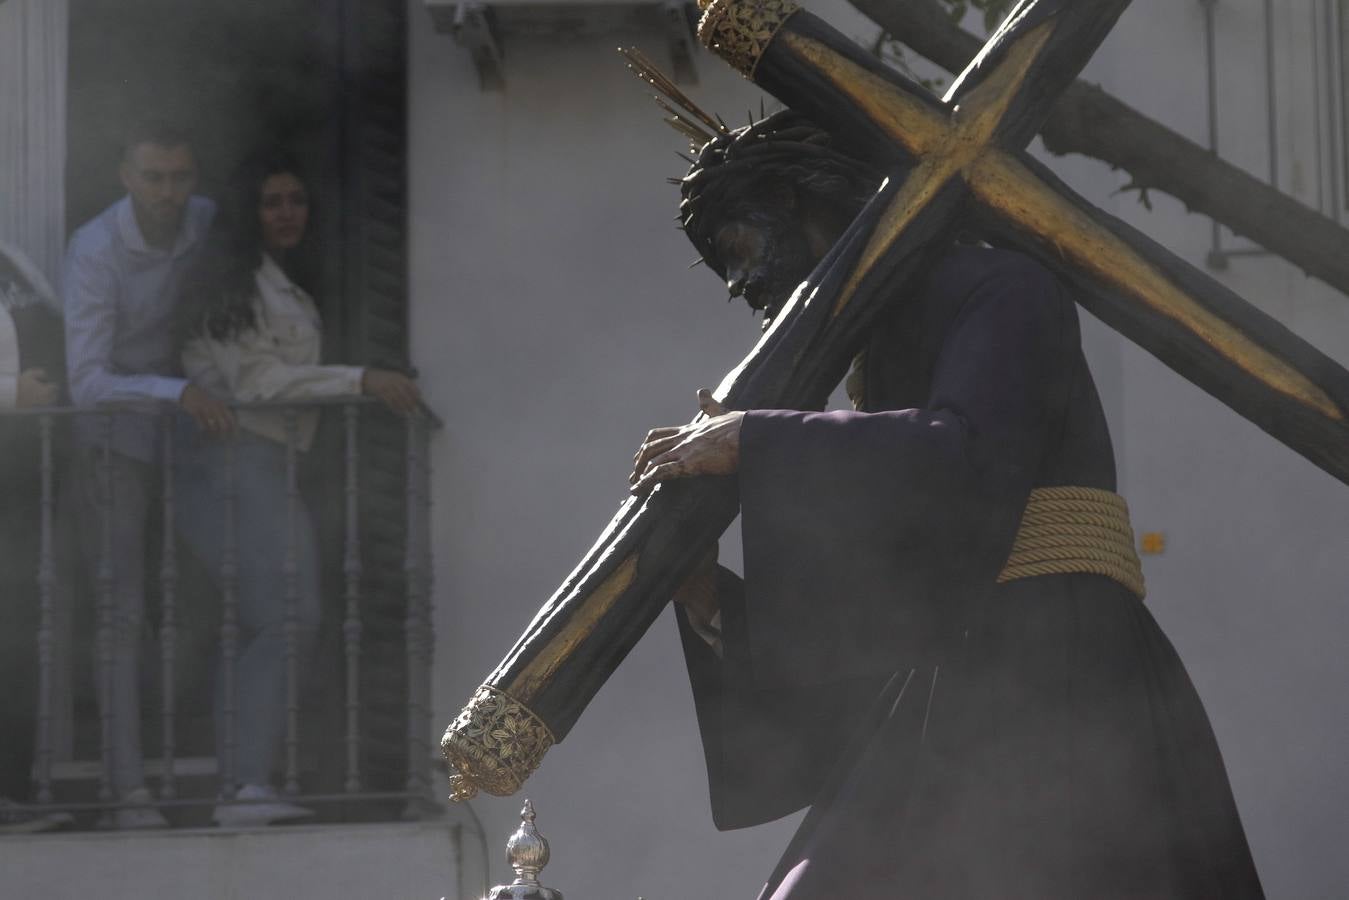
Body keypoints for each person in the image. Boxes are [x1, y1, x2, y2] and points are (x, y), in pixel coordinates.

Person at [629, 111, 1265, 898]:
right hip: (953, 676)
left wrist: (759, 443)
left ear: (802, 201)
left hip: (1057, 666)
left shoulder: (1002, 286)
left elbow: (969, 456)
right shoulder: (870, 360)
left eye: (736, 245)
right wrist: (708, 601)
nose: (736, 283)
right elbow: (869, 620)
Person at [173, 147, 419, 827]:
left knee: (278, 619)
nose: (287, 213)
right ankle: (242, 785)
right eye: (272, 202)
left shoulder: (278, 283)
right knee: (285, 616)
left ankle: (247, 781)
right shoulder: (234, 287)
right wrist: (360, 380)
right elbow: (257, 385)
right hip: (233, 459)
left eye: (296, 200)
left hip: (261, 465)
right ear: (247, 214)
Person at [62, 119, 233, 829]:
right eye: (153, 178)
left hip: (199, 436)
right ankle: (127, 789)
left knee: (218, 594)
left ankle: (232, 776)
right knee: (121, 612)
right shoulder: (94, 250)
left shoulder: (208, 222)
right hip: (116, 440)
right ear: (126, 178)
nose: (168, 193)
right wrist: (177, 394)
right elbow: (86, 381)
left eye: (179, 178)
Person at [0, 239, 69, 833]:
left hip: (17, 488)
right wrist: (9, 395)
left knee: (15, 643)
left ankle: (12, 794)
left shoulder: (11, 258)